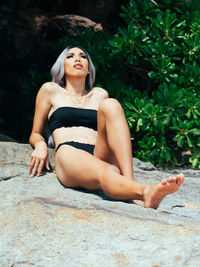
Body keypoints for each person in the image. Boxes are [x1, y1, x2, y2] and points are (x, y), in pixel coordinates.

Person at [29, 45, 184, 209]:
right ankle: (145, 192)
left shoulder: (99, 94)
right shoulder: (50, 90)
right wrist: (40, 145)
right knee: (106, 171)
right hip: (69, 152)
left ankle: (129, 183)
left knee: (111, 105)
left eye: (83, 56)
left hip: (99, 151)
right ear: (62, 66)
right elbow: (35, 133)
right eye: (70, 56)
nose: (77, 59)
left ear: (89, 69)